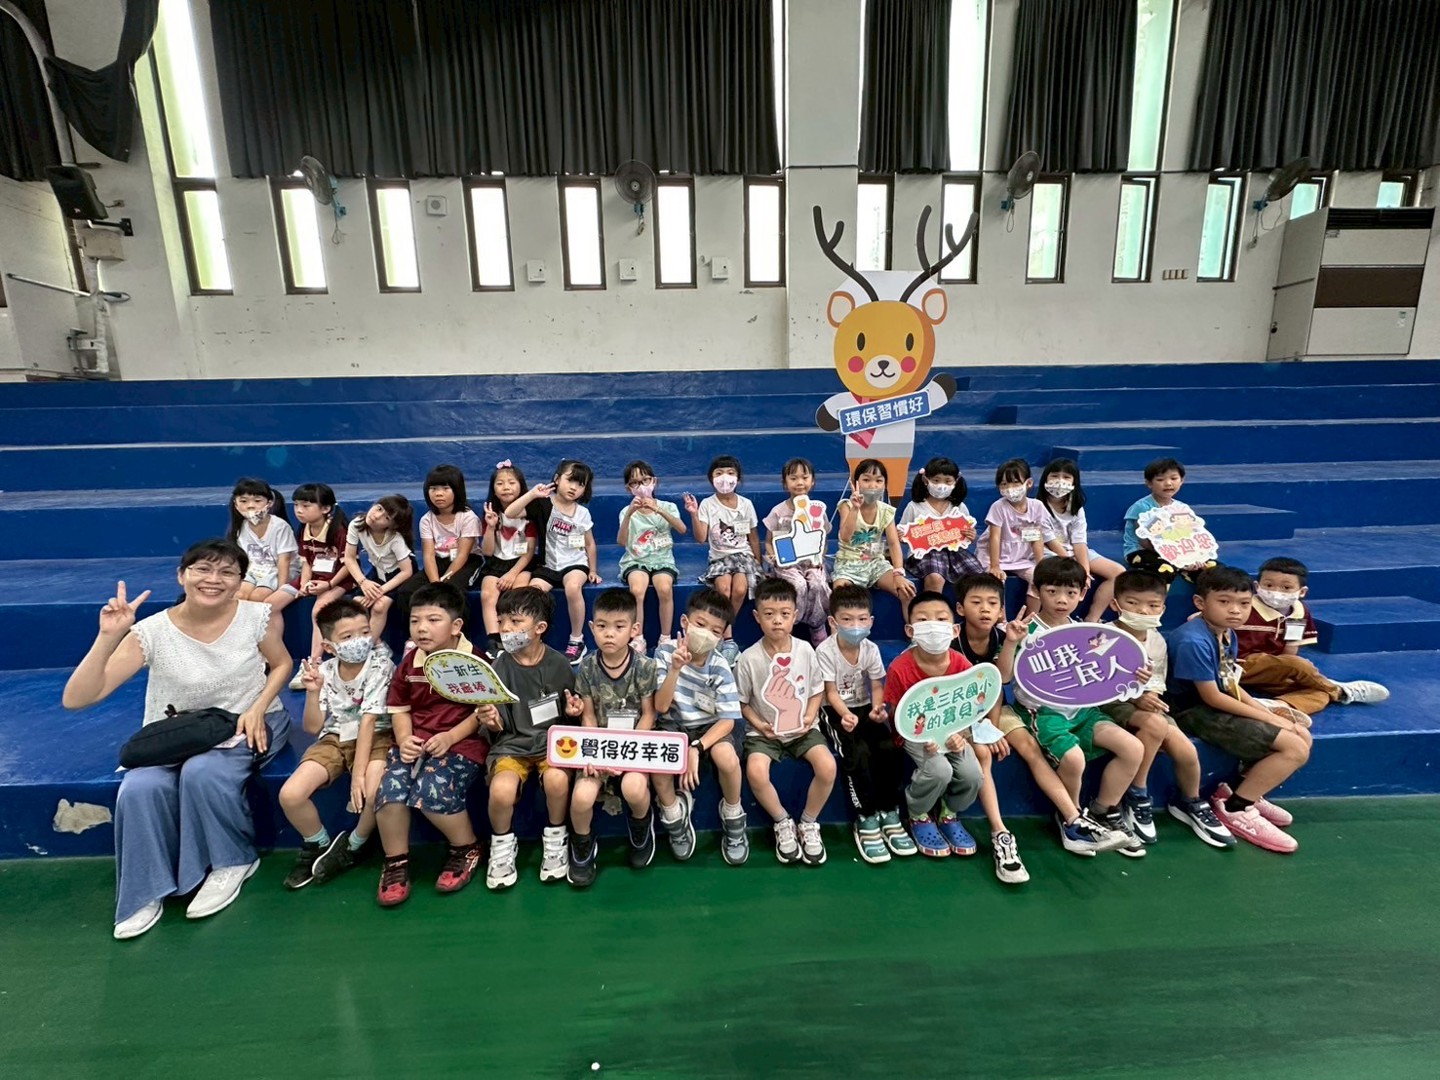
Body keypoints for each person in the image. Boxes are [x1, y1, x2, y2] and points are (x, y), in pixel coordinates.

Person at [62, 539, 293, 940]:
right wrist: (108, 637)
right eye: (203, 569)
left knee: (204, 772)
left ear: (240, 581)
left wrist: (258, 707)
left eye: (227, 572)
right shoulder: (150, 632)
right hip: (175, 734)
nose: (214, 579)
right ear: (182, 575)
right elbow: (78, 698)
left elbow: (282, 663)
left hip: (244, 723)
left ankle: (233, 861)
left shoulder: (256, 616)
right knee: (139, 787)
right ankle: (143, 891)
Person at [953, 574, 1127, 857]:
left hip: (994, 709)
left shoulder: (1003, 636)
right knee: (983, 754)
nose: (985, 609)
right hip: (959, 714)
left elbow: (996, 687)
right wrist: (980, 729)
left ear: (1001, 610)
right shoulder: (953, 640)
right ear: (960, 608)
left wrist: (991, 726)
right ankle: (1000, 831)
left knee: (1030, 749)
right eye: (976, 602)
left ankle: (1073, 821)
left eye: (992, 603)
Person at [1166, 565, 1314, 854]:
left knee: (1302, 735)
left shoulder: (1226, 632)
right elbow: (1213, 698)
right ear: (1200, 602)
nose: (1235, 610)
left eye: (1244, 603)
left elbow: (1229, 681)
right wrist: (1272, 719)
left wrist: (1266, 712)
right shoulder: (1193, 640)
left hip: (1215, 702)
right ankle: (1235, 808)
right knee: (1295, 748)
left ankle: (1244, 793)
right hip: (1191, 711)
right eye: (1224, 602)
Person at [1007, 557, 1148, 857]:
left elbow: (1113, 667)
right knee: (1073, 758)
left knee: (1133, 748)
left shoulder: (1085, 633)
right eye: (1052, 591)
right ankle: (1071, 820)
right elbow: (1004, 676)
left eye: (1071, 593)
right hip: (1042, 714)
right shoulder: (1026, 630)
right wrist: (1010, 643)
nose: (1062, 600)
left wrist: (1136, 674)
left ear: (1083, 594)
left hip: (1082, 712)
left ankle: (1101, 811)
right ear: (1037, 590)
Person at [884, 591, 1028, 883]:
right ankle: (919, 813)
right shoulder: (900, 667)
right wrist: (921, 738)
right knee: (939, 769)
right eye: (923, 620)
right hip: (917, 737)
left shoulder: (961, 664)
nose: (933, 626)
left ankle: (949, 812)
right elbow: (897, 714)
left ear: (954, 630)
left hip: (953, 733)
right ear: (910, 630)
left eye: (941, 619)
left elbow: (970, 709)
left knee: (973, 774)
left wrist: (961, 734)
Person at [374, 583, 489, 907]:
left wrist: (450, 737)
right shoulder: (410, 663)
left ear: (456, 626)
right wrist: (404, 739)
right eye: (415, 621)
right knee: (390, 791)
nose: (422, 628)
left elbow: (481, 713)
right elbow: (400, 709)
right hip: (415, 741)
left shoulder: (473, 661)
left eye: (433, 620)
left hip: (462, 743)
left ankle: (466, 847)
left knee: (432, 791)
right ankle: (395, 861)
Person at [1101, 571, 1235, 848]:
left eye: (1152, 605)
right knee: (1155, 724)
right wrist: (1138, 699)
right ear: (1115, 604)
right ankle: (1137, 794)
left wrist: (1148, 695)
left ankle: (1190, 801)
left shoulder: (1156, 641)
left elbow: (1155, 683)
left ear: (1162, 608)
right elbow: (1093, 685)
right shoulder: (1100, 637)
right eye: (1133, 603)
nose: (1143, 611)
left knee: (1186, 752)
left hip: (1143, 703)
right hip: (1110, 703)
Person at [279, 598, 397, 889]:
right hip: (335, 737)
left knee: (373, 791)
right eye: (347, 636)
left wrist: (358, 775)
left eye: (365, 632)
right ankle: (317, 844)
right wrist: (312, 691)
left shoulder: (381, 664)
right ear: (329, 646)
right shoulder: (326, 671)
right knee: (290, 795)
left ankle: (355, 844)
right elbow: (312, 727)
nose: (359, 640)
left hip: (379, 736)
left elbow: (369, 720)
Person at [484, 586, 580, 888]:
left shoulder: (559, 664)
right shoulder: (499, 666)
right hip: (512, 746)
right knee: (501, 790)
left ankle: (556, 837)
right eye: (502, 621)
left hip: (553, 745)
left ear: (539, 628)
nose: (506, 628)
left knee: (556, 780)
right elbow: (497, 726)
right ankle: (501, 844)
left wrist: (573, 712)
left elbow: (570, 715)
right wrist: (492, 721)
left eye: (515, 621)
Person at [736, 577, 835, 866]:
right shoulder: (748, 659)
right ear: (757, 617)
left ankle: (809, 822)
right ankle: (782, 821)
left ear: (795, 615)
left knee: (827, 766)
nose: (777, 620)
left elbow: (816, 691)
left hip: (803, 729)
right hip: (763, 732)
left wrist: (810, 715)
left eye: (784, 614)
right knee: (756, 771)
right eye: (769, 614)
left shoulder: (805, 650)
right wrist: (760, 724)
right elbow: (742, 704)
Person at [817, 584, 915, 863]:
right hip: (834, 711)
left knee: (888, 746)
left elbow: (876, 685)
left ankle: (889, 811)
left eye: (861, 619)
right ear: (833, 622)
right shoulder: (825, 651)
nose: (855, 625)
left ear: (871, 621)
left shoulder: (870, 649)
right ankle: (866, 816)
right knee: (856, 752)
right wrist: (844, 715)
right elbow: (830, 692)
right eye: (847, 620)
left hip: (863, 707)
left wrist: (877, 709)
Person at [568, 589, 659, 887]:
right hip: (598, 747)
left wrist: (627, 753)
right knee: (582, 796)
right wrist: (593, 755)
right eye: (602, 626)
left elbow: (649, 715)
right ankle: (582, 844)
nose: (610, 634)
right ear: (591, 628)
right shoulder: (587, 667)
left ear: (634, 629)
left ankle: (641, 827)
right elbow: (588, 717)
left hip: (633, 748)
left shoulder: (645, 666)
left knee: (634, 787)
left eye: (619, 626)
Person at [651, 588, 748, 865]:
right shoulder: (665, 652)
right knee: (659, 765)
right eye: (700, 624)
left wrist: (696, 747)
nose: (706, 634)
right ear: (685, 622)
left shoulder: (719, 665)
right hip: (673, 724)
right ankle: (674, 815)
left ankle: (733, 814)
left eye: (715, 631)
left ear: (722, 636)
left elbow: (728, 720)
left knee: (726, 757)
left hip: (710, 727)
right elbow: (660, 706)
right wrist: (675, 670)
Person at [1235, 556, 1388, 713]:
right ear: (1257, 586)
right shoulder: (1243, 608)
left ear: (1302, 592)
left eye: (1286, 587)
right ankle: (1339, 691)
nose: (1276, 592)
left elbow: (1290, 649)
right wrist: (1291, 666)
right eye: (1269, 585)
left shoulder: (1298, 612)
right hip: (1239, 664)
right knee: (1299, 665)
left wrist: (1287, 674)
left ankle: (1279, 706)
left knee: (1318, 691)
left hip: (1273, 667)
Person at [504, 460, 602, 664]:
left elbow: (590, 543)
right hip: (548, 565)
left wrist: (592, 570)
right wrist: (532, 494)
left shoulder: (582, 513)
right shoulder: (543, 504)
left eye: (580, 484)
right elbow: (510, 513)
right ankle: (530, 639)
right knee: (532, 594)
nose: (574, 487)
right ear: (557, 479)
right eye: (570, 480)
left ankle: (577, 640)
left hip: (575, 563)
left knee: (573, 587)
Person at [684, 454, 760, 665]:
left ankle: (722, 630)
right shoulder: (707, 504)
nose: (725, 477)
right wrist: (693, 513)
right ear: (711, 479)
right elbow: (701, 538)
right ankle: (727, 638)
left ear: (738, 478)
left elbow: (753, 536)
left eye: (730, 473)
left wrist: (758, 562)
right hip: (720, 557)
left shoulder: (746, 504)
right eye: (719, 473)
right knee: (724, 589)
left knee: (740, 589)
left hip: (743, 555)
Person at [1036, 458, 1125, 623]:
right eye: (1054, 476)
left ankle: (1092, 619)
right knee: (1063, 576)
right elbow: (1050, 540)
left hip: (1074, 552)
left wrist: (1085, 570)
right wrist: (1074, 567)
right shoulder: (1037, 506)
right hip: (1050, 553)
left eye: (1066, 477)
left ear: (1074, 482)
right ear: (1045, 479)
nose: (1060, 481)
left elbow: (1079, 541)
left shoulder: (1076, 508)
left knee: (1118, 572)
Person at [286, 482, 353, 687]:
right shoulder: (303, 529)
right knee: (272, 602)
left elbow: (348, 566)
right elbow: (307, 562)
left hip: (339, 580)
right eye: (296, 505)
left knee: (318, 610)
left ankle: (314, 663)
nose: (299, 510)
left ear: (325, 508)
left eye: (306, 506)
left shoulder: (339, 531)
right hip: (314, 578)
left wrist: (329, 584)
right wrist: (303, 585)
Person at [617, 460, 686, 652]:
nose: (641, 486)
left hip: (662, 559)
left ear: (654, 481)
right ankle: (638, 638)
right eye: (635, 483)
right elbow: (621, 542)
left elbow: (682, 529)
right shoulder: (626, 512)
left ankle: (665, 638)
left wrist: (658, 509)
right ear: (628, 488)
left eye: (645, 480)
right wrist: (629, 514)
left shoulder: (668, 506)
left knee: (664, 588)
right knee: (637, 590)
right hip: (636, 560)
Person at [762, 458, 832, 646]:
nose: (799, 482)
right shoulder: (778, 511)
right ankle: (791, 623)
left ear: (812, 481)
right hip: (788, 563)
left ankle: (817, 625)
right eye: (793, 478)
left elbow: (823, 539)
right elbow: (768, 542)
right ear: (785, 483)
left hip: (811, 561)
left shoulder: (817, 510)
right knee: (799, 584)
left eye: (804, 477)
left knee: (817, 583)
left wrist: (819, 557)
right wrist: (774, 557)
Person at [831, 458, 915, 607]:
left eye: (878, 481)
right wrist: (855, 508)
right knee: (841, 596)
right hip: (848, 563)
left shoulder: (886, 511)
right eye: (866, 480)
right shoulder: (846, 506)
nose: (872, 485)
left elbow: (894, 543)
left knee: (906, 591)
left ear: (884, 485)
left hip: (875, 562)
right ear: (855, 483)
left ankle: (914, 623)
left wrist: (898, 572)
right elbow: (845, 537)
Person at [979, 458, 1056, 618]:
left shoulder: (1037, 507)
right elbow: (995, 537)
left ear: (1028, 483)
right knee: (996, 582)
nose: (1010, 488)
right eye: (1004, 484)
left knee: (1038, 579)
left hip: (1021, 556)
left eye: (1015, 482)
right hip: (995, 556)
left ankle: (1030, 619)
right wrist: (995, 566)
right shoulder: (998, 507)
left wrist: (1040, 564)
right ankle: (1001, 622)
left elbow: (1036, 537)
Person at [477, 460, 539, 657]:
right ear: (493, 489)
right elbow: (487, 551)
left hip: (521, 563)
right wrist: (491, 527)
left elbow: (529, 551)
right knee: (487, 594)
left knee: (518, 592)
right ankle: (494, 640)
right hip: (496, 562)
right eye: (500, 483)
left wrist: (512, 574)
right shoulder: (490, 513)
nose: (506, 487)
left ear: (521, 486)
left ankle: (515, 637)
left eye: (512, 483)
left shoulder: (528, 514)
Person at [1122, 458, 1215, 584]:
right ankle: (1159, 597)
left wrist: (1193, 557)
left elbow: (1190, 535)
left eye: (1174, 478)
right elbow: (1146, 542)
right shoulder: (1142, 507)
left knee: (1212, 567)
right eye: (1160, 480)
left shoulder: (1181, 508)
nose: (1168, 483)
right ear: (1149, 483)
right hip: (1142, 551)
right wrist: (1179, 561)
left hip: (1176, 551)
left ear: (1182, 481)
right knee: (1166, 569)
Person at [898, 456, 981, 596]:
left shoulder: (959, 507)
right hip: (924, 553)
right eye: (936, 480)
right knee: (935, 578)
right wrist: (902, 536)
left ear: (956, 481)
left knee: (977, 576)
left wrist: (971, 536)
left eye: (948, 481)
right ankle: (932, 607)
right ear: (926, 480)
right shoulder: (914, 506)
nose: (941, 486)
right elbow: (902, 532)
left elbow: (967, 533)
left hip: (955, 552)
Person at [342, 495, 415, 641]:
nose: (376, 516)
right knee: (357, 603)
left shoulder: (395, 539)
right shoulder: (356, 524)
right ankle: (360, 643)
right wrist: (363, 582)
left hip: (398, 575)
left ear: (393, 525)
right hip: (378, 570)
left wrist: (380, 591)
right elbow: (349, 558)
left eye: (386, 517)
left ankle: (370, 646)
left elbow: (407, 571)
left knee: (379, 606)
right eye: (379, 508)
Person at [227, 477, 297, 609]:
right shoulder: (240, 527)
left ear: (269, 503)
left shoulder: (280, 526)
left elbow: (285, 560)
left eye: (257, 501)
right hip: (254, 570)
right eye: (243, 501)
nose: (250, 505)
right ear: (235, 504)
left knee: (257, 596)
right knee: (239, 595)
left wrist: (281, 588)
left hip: (279, 570)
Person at [416, 464, 485, 591]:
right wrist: (435, 583)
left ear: (457, 490)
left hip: (467, 561)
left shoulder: (468, 518)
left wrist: (443, 582)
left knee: (452, 589)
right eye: (433, 489)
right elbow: (428, 556)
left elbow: (462, 555)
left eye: (445, 488)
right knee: (407, 591)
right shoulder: (426, 520)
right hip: (439, 560)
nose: (438, 494)